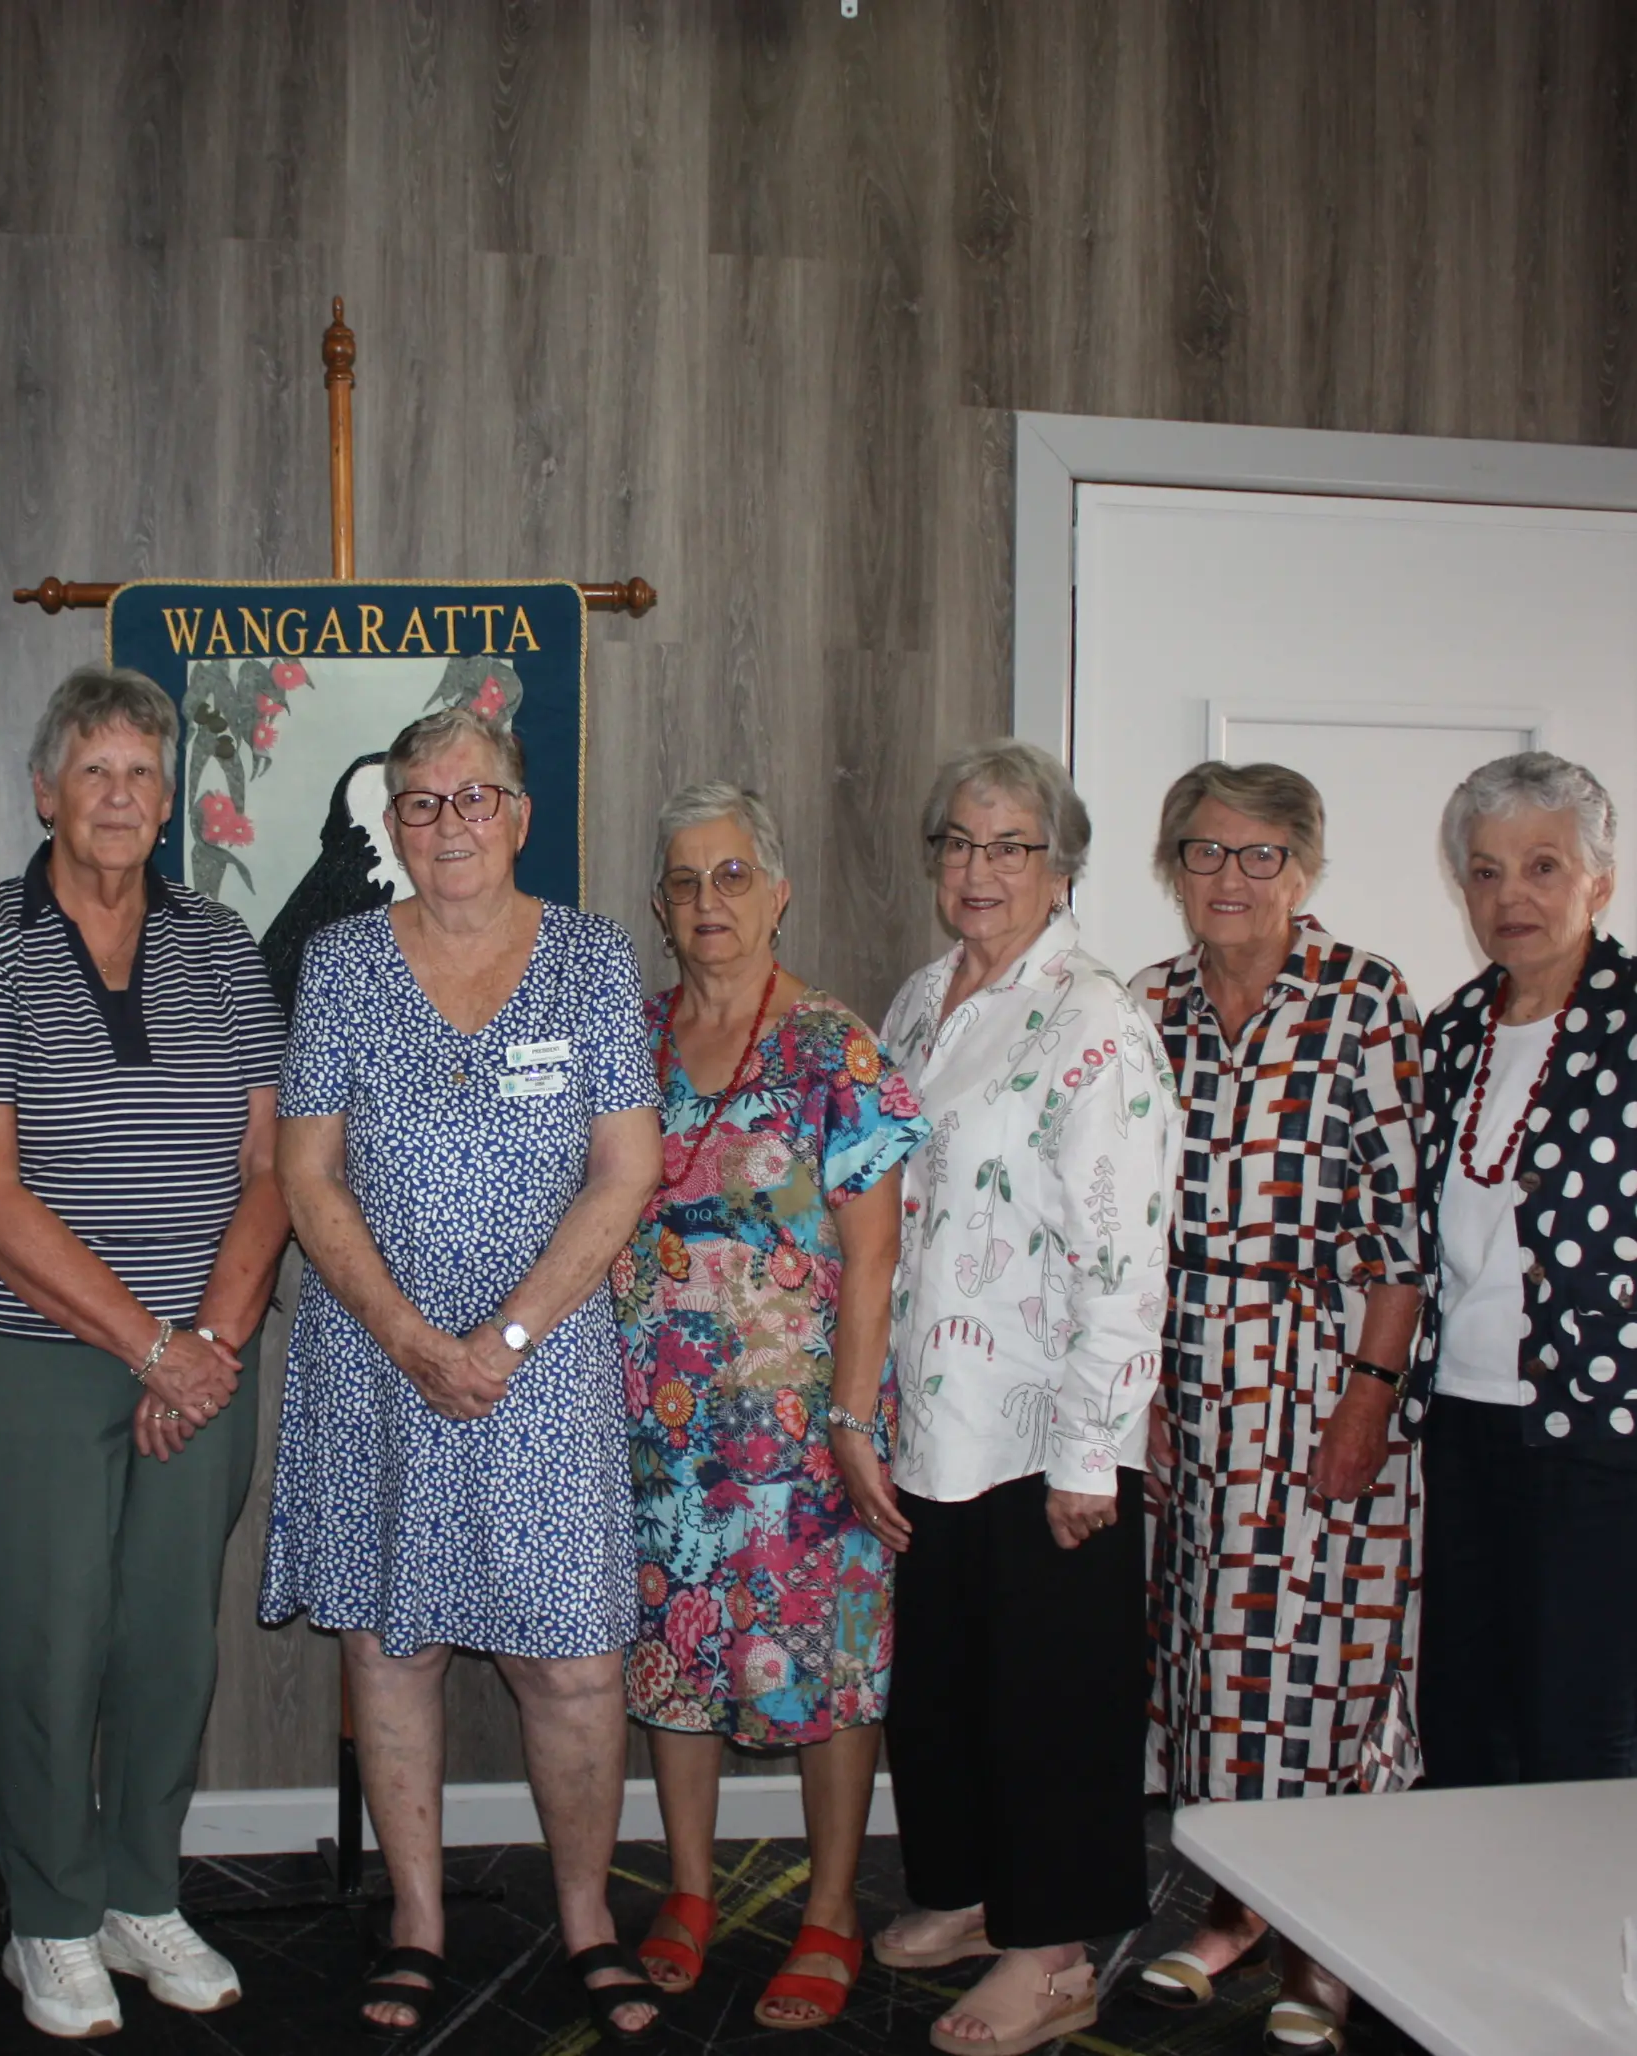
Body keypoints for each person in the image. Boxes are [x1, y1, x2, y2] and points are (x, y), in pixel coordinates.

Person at [260, 707, 668, 2044]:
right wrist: (411, 1337)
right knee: (395, 1644)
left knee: (572, 1665)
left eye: (473, 799)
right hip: (377, 1364)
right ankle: (419, 1924)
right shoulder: (340, 963)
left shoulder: (593, 959)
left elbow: (627, 1170)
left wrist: (500, 1340)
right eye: (421, 806)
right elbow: (307, 1172)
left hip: (542, 1372)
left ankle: (591, 1922)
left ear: (520, 813)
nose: (448, 826)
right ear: (391, 826)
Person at [0, 668, 292, 2038]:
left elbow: (271, 1162)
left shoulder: (218, 941)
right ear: (44, 793)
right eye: (96, 773)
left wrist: (209, 1340)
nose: (123, 798)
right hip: (33, 1360)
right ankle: (50, 1920)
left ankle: (142, 1891)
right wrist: (150, 1345)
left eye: (143, 774)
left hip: (201, 1352)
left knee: (161, 1646)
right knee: (44, 1642)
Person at [870, 739, 1179, 2056]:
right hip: (929, 1412)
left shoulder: (1095, 1020)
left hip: (1041, 1422)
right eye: (959, 842)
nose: (980, 869)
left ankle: (1055, 1955)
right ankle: (986, 1892)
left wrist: (1091, 1454)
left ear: (1062, 866)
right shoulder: (920, 998)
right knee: (947, 1679)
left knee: (1051, 1692)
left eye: (1011, 846)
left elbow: (1127, 1248)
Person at [1126, 762, 1425, 2053]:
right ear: (1171, 866)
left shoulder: (1364, 999)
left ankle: (1328, 1951)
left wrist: (1368, 1397)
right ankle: (1236, 1911)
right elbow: (1126, 1219)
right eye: (1203, 852)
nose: (1229, 879)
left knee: (1325, 1671)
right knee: (1212, 1670)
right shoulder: (1148, 1007)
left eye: (1258, 856)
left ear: (1303, 870)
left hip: (1322, 1371)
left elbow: (1405, 1237)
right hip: (1192, 1373)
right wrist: (1134, 1383)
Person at [616, 783, 922, 2031]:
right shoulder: (626, 1044)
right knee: (677, 1655)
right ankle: (688, 1891)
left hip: (804, 1435)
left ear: (777, 891)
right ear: (661, 906)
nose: (707, 903)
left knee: (829, 1669)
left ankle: (832, 1908)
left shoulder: (833, 1047)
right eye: (686, 882)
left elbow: (876, 1257)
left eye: (732, 876)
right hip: (659, 1427)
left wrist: (852, 1422)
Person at [1411, 751, 1637, 1789]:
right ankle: (1463, 1945)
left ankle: (1573, 1944)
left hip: (1612, 1433)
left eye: (1543, 866)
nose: (1511, 895)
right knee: (1466, 1714)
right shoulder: (1456, 1031)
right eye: (1485, 871)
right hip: (1468, 1417)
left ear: (1599, 881)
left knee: (1584, 1725)